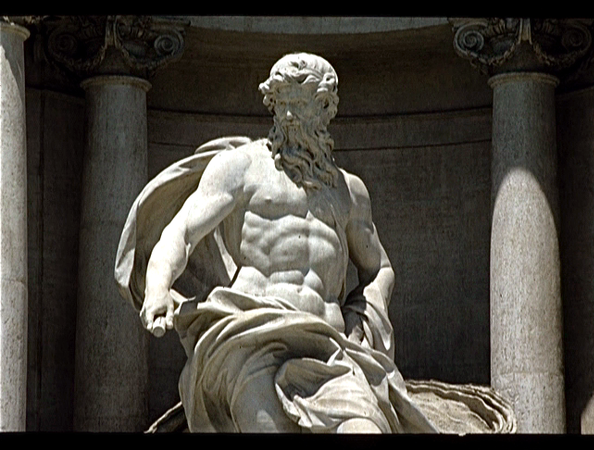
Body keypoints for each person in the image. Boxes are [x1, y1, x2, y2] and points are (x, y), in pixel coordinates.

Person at [115, 52, 437, 433]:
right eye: (281, 104)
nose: (287, 117)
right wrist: (157, 288)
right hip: (251, 337)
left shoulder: (349, 192)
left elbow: (378, 269)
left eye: (299, 106)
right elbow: (181, 232)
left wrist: (363, 321)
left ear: (326, 108)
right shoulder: (241, 167)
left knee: (367, 428)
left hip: (328, 347)